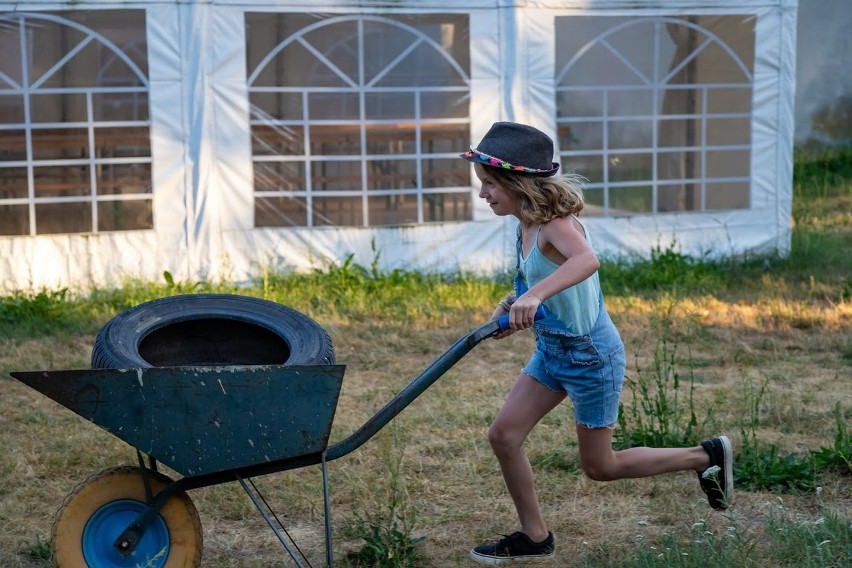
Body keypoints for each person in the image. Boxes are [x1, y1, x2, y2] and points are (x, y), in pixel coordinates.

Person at [460, 122, 733, 565]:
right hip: (552, 353)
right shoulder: (524, 225)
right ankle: (535, 537)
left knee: (599, 468)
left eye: (490, 184)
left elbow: (588, 260)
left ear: (516, 183)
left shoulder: (556, 224)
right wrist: (514, 304)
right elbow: (542, 279)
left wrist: (534, 296)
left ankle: (704, 456)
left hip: (590, 357)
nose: (483, 194)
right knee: (504, 436)